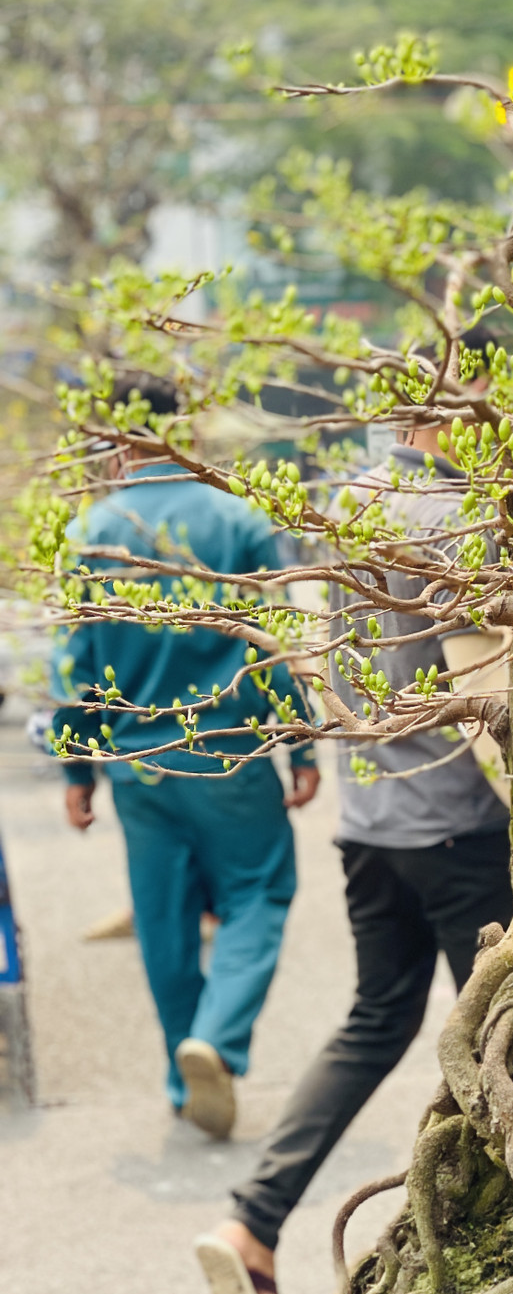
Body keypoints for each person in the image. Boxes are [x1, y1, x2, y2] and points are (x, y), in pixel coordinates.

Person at [194, 417, 513, 1294]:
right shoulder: (455, 511)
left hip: (368, 823)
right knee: (508, 1044)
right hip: (454, 825)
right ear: (450, 408)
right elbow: (486, 673)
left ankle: (250, 1219)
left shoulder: (349, 498)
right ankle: (486, 1264)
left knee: (380, 1018)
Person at [53, 381, 320, 1141]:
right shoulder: (239, 518)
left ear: (120, 440)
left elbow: (74, 667)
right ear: (187, 431)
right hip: (230, 752)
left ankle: (182, 1072)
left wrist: (77, 769)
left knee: (164, 918)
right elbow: (273, 640)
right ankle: (219, 1037)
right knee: (259, 891)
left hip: (139, 765)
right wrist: (298, 740)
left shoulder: (91, 532)